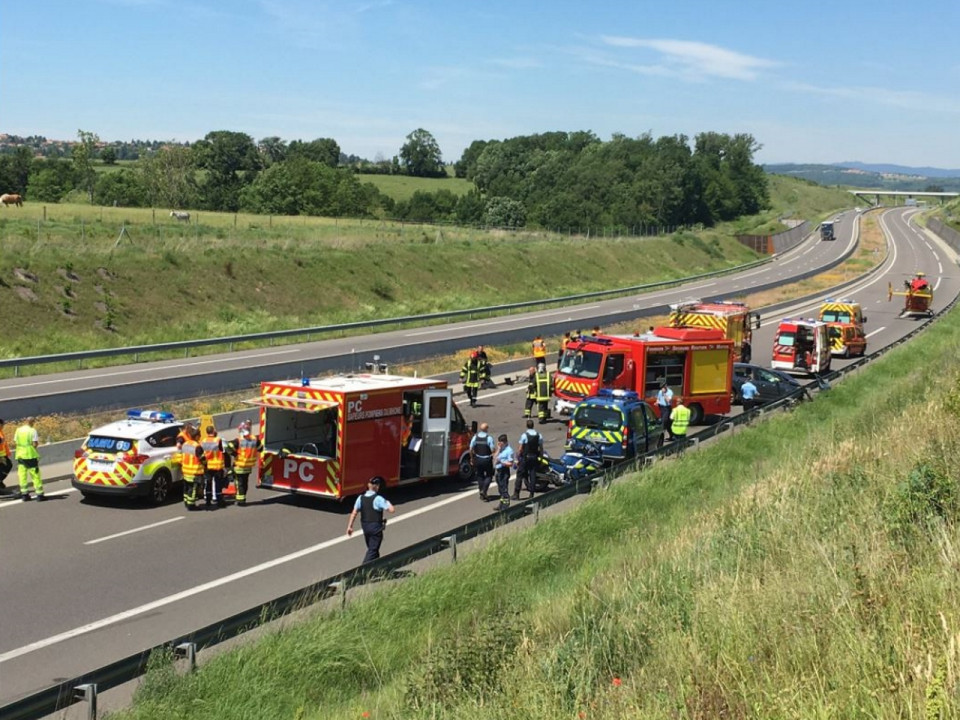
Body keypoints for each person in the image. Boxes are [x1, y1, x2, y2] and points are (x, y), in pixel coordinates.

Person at [346, 475, 395, 563]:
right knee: (372, 550)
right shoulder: (378, 499)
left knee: (373, 549)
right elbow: (391, 510)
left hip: (365, 527)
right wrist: (388, 502)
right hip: (375, 528)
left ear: (368, 486)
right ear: (377, 486)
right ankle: (362, 571)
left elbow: (354, 512)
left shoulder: (360, 498)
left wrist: (350, 526)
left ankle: (377, 569)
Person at [227, 421, 261, 506]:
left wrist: (234, 454)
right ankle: (243, 498)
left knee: (239, 483)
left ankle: (240, 500)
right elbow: (260, 448)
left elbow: (228, 448)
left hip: (239, 466)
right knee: (245, 482)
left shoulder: (238, 440)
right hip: (248, 466)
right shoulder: (255, 439)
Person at [13, 417, 43, 501]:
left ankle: (24, 494)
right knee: (35, 474)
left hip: (20, 455)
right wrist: (32, 447)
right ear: (32, 422)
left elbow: (15, 441)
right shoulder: (32, 430)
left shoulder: (18, 430)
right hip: (30, 455)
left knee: (22, 474)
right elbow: (35, 443)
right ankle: (40, 494)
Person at [514, 419, 543, 499]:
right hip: (534, 457)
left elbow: (520, 449)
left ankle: (516, 494)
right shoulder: (538, 435)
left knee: (520, 474)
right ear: (533, 425)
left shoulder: (524, 435)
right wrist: (541, 456)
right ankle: (532, 493)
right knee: (532, 474)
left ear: (527, 426)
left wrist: (517, 458)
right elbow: (541, 448)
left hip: (526, 457)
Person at [180, 425, 205, 510]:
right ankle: (191, 505)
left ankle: (186, 502)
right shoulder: (197, 447)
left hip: (185, 470)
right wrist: (206, 464)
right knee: (193, 488)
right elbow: (202, 459)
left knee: (186, 488)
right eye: (200, 436)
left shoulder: (185, 444)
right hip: (194, 472)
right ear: (197, 436)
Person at [200, 425, 226, 508]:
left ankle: (208, 501)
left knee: (208, 483)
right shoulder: (218, 440)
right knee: (218, 484)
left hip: (207, 466)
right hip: (217, 466)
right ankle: (219, 502)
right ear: (213, 431)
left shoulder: (203, 441)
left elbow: (201, 453)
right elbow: (222, 450)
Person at [470, 422, 496, 501]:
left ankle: (481, 492)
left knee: (480, 475)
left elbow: (470, 448)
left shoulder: (475, 437)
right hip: (487, 459)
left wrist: (472, 458)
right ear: (486, 429)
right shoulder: (489, 438)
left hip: (478, 459)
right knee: (489, 475)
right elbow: (492, 450)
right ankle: (484, 491)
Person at [493, 434, 515, 511]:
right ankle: (501, 505)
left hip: (504, 471)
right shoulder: (500, 449)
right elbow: (495, 457)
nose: (499, 444)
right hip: (498, 471)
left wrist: (502, 462)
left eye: (500, 443)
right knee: (500, 489)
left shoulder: (509, 451)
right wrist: (498, 449)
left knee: (504, 489)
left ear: (504, 442)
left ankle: (506, 507)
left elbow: (511, 463)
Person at [0, 418, 11, 491]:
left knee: (6, 467)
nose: (3, 426)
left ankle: (0, 481)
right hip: (1, 456)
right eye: (2, 424)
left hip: (3, 455)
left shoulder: (1, 432)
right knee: (8, 465)